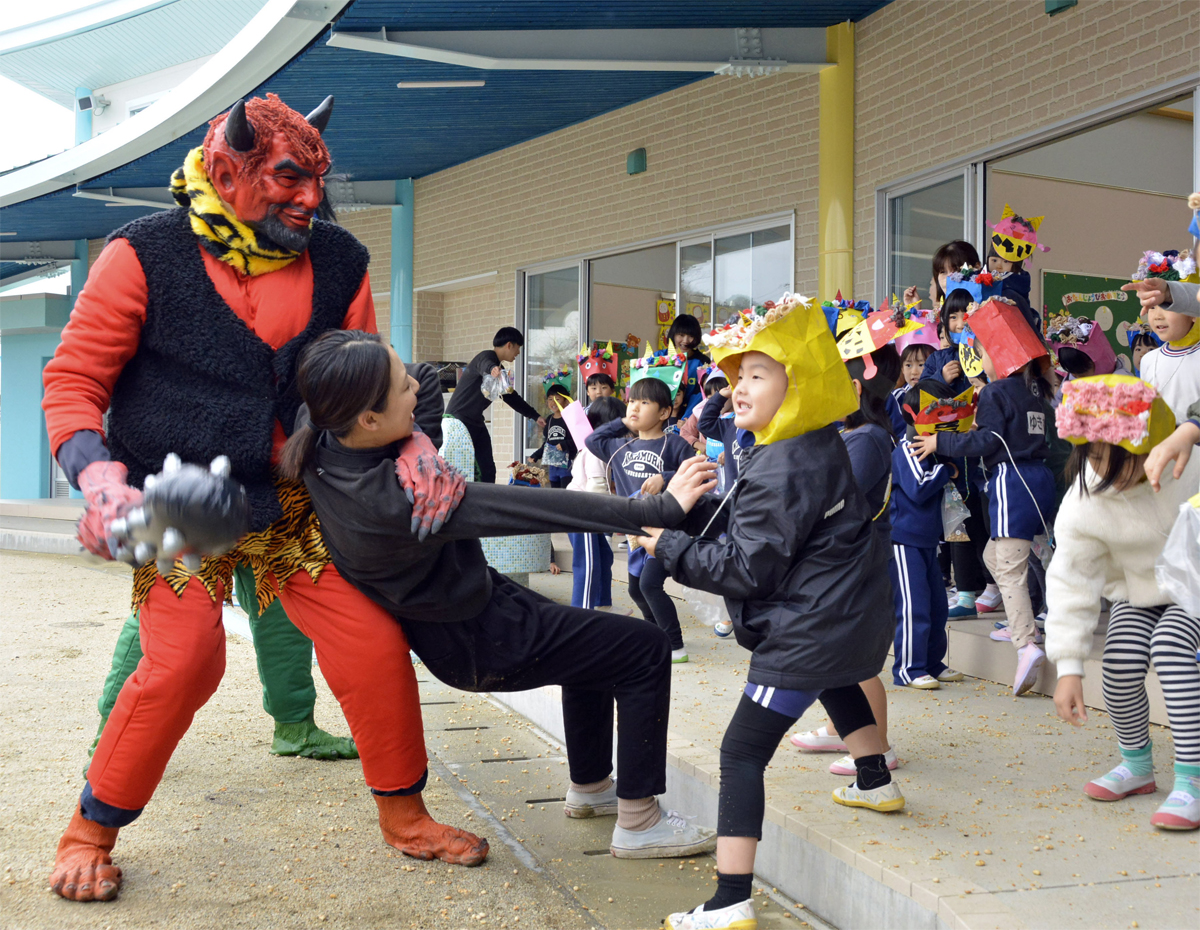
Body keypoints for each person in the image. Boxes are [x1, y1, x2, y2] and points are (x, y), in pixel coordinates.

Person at [41, 94, 486, 903]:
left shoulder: (340, 260)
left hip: (293, 498)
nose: (311, 199)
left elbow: (367, 380)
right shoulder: (141, 254)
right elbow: (74, 381)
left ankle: (406, 816)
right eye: (287, 178)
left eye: (317, 180)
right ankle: (88, 832)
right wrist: (100, 478)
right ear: (225, 170)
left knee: (371, 642)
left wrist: (413, 442)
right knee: (183, 661)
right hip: (177, 501)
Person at [285, 330, 722, 858]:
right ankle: (640, 823)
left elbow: (426, 380)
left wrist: (417, 443)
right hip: (479, 639)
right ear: (370, 419)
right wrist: (658, 510)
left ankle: (591, 787)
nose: (417, 389)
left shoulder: (319, 425)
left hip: (481, 604)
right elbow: (537, 509)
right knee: (644, 648)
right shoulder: (406, 503)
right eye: (399, 388)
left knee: (593, 649)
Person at [638, 295, 902, 930]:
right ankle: (875, 780)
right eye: (737, 375)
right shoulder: (810, 440)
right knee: (835, 677)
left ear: (799, 382)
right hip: (842, 615)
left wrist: (667, 545)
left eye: (758, 375)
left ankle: (730, 901)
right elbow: (771, 532)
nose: (739, 388)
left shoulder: (784, 460)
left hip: (809, 624)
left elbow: (746, 568)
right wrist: (699, 512)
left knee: (741, 752)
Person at [1047, 376, 1199, 830]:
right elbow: (1071, 580)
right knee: (1118, 664)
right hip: (1139, 592)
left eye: (1121, 459)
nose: (1107, 473)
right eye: (1095, 457)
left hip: (1193, 589)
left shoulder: (1186, 462)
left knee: (1170, 649)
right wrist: (1069, 666)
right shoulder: (1083, 501)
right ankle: (1136, 765)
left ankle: (1192, 780)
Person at [912, 298, 1056, 696]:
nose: (978, 361)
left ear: (1000, 355)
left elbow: (987, 441)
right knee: (1016, 554)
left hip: (1013, 482)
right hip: (1040, 480)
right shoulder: (1033, 391)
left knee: (1008, 567)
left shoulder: (996, 392)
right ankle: (1050, 614)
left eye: (982, 352)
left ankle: (1025, 644)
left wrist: (940, 441)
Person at [586, 376, 694, 663]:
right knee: (636, 589)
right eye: (631, 401)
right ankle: (655, 635)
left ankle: (675, 646)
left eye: (644, 402)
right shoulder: (620, 446)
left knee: (649, 585)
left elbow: (699, 472)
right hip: (635, 532)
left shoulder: (675, 444)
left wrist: (666, 477)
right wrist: (623, 422)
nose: (634, 406)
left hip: (667, 531)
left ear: (664, 412)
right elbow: (592, 440)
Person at [445, 326, 545, 483]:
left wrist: (535, 416)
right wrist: (492, 369)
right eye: (518, 348)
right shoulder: (486, 357)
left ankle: (487, 496)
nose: (518, 352)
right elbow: (484, 364)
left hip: (476, 421)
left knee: (487, 468)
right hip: (459, 421)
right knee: (465, 468)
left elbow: (511, 397)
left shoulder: (500, 371)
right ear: (509, 345)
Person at [566, 396, 626, 610]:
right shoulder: (596, 451)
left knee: (604, 557)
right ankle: (583, 611)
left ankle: (602, 606)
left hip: (586, 510)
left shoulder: (593, 445)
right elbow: (597, 487)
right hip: (583, 513)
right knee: (588, 563)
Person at [529, 383, 576, 488]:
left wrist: (565, 445)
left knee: (566, 494)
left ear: (566, 401)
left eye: (557, 399)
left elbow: (578, 440)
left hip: (567, 466)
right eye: (550, 399)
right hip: (553, 466)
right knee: (555, 494)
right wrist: (536, 455)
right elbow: (547, 443)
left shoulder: (571, 418)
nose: (553, 402)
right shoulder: (549, 420)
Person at [663, 313, 710, 418]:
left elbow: (701, 395)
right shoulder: (659, 357)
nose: (685, 341)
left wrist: (687, 419)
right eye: (681, 335)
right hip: (660, 416)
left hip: (691, 417)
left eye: (691, 336)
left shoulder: (703, 362)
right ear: (673, 334)